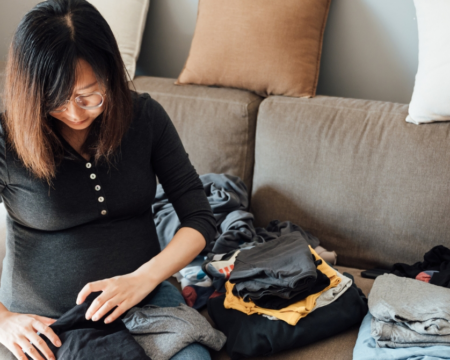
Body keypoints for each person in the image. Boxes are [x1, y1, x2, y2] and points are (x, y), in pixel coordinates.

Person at [0, 0, 217, 359]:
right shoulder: (7, 139)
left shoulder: (144, 117)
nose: (73, 113)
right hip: (46, 322)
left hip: (146, 300)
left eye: (89, 96)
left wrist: (142, 279)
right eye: (55, 100)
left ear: (110, 74)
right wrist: (4, 320)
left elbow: (200, 218)